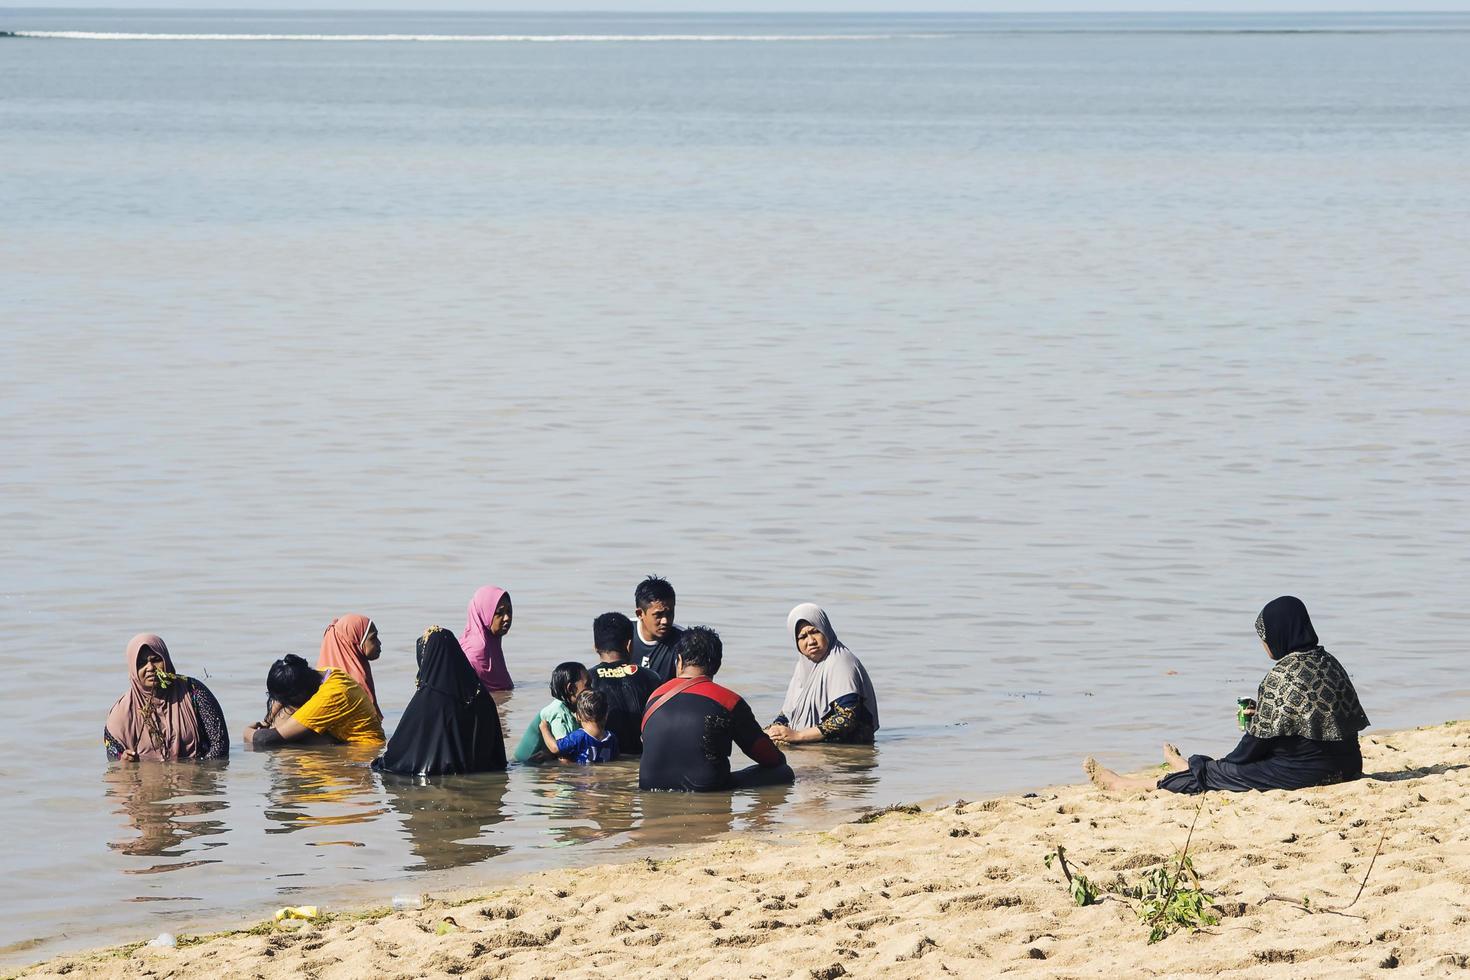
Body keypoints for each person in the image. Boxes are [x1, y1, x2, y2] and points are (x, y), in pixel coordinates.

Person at [1085, 596, 1370, 794]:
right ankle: (1189, 765)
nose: (1265, 644)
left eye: (1264, 637)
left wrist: (1223, 764)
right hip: (1349, 766)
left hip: (1310, 773)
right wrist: (1265, 715)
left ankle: (1128, 785)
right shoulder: (1327, 661)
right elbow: (1321, 716)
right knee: (1229, 766)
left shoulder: (1282, 675)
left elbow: (1250, 750)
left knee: (1218, 773)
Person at [639, 626, 794, 792]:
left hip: (649, 789)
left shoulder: (654, 697)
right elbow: (767, 756)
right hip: (706, 790)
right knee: (784, 772)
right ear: (717, 665)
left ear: (679, 661)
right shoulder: (728, 700)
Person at [374, 626, 507, 776]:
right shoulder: (483, 698)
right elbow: (498, 759)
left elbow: (396, 760)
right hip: (481, 785)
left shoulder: (426, 702)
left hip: (436, 788)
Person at [765, 604, 879, 746]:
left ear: (826, 630)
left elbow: (847, 718)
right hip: (818, 748)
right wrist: (772, 731)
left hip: (846, 754)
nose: (811, 641)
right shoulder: (803, 667)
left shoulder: (841, 661)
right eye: (803, 637)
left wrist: (799, 735)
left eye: (815, 632)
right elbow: (788, 715)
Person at [105, 633, 228, 761]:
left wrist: (199, 775)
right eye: (141, 664)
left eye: (155, 660)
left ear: (166, 660)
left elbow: (220, 745)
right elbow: (113, 758)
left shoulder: (194, 692)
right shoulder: (120, 713)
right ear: (133, 669)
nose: (150, 668)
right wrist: (124, 761)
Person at [244, 653, 385, 748]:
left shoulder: (331, 695)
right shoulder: (322, 674)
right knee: (282, 720)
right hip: (342, 739)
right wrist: (266, 721)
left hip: (361, 751)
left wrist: (247, 732)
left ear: (298, 694)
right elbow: (283, 698)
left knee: (284, 741)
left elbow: (264, 741)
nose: (284, 703)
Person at [587, 611, 661, 755]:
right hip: (643, 761)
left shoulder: (586, 680)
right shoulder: (652, 677)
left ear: (596, 647)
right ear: (629, 645)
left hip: (606, 763)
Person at [512, 661, 590, 763]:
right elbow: (564, 756)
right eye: (588, 685)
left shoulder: (573, 707)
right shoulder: (558, 712)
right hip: (526, 766)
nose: (592, 690)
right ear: (570, 688)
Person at [316, 614, 383, 719]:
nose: (379, 643)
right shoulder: (350, 685)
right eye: (373, 638)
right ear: (354, 642)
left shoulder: (320, 677)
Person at [460, 585, 514, 692]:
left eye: (509, 611)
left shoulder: (493, 646)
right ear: (484, 614)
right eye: (499, 613)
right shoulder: (476, 652)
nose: (507, 618)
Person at [545, 689, 619, 764]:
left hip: (582, 774)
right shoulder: (612, 738)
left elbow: (555, 748)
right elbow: (615, 759)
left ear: (578, 716)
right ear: (606, 715)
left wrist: (544, 728)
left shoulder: (579, 736)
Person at [632, 575, 683, 683]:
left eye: (669, 613)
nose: (665, 621)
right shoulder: (623, 631)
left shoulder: (683, 640)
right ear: (640, 614)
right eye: (658, 615)